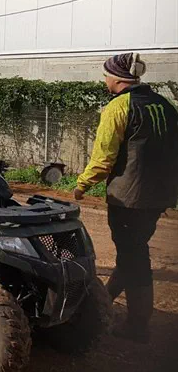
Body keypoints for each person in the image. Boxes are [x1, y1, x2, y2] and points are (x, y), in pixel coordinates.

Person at [73, 52, 178, 343]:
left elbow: (104, 158)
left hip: (129, 198)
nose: (104, 79)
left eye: (106, 74)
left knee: (134, 255)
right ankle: (105, 299)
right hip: (161, 195)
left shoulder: (118, 108)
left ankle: (138, 325)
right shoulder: (165, 105)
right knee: (133, 248)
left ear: (118, 79)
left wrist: (81, 185)